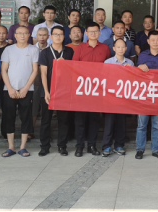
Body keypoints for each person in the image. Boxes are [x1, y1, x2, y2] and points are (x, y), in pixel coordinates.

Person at [0, 26, 38, 158]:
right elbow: (3, 70)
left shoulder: (33, 49)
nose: (22, 35)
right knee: (9, 117)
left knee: (26, 117)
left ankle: (23, 147)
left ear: (29, 35)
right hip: (9, 89)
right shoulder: (8, 49)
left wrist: (26, 88)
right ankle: (11, 147)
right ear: (15, 35)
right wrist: (10, 88)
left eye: (25, 33)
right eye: (19, 33)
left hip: (27, 89)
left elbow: (35, 70)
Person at [73, 22, 111, 156]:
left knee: (94, 119)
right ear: (86, 34)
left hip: (98, 90)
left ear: (99, 33)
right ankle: (79, 147)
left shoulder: (105, 48)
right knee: (80, 120)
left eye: (96, 31)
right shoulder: (80, 48)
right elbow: (74, 67)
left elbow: (109, 67)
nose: (93, 34)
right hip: (82, 89)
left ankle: (92, 146)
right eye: (91, 31)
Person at [135, 31, 158, 160]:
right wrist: (139, 67)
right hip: (144, 94)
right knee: (141, 125)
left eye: (157, 39)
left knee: (157, 125)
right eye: (153, 40)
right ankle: (140, 150)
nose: (155, 42)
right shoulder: (142, 56)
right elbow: (136, 74)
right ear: (148, 41)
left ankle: (156, 150)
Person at [38, 27, 74, 157]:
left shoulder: (69, 51)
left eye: (60, 34)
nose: (58, 37)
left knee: (63, 120)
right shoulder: (45, 52)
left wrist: (66, 64)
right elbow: (43, 73)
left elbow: (74, 70)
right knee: (45, 120)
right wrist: (46, 91)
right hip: (48, 91)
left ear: (64, 37)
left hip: (64, 91)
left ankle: (62, 146)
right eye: (55, 34)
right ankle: (44, 147)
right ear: (51, 36)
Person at [102, 39, 134, 156]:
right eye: (118, 47)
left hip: (123, 97)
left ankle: (119, 145)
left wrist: (130, 71)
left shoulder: (130, 63)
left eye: (123, 47)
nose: (120, 49)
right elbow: (104, 79)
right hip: (110, 97)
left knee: (121, 122)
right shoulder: (108, 62)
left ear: (126, 49)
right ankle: (106, 146)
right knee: (109, 122)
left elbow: (133, 80)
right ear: (114, 48)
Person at [31, 27, 50, 139]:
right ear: (36, 36)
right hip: (35, 81)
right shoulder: (31, 49)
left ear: (48, 36)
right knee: (34, 108)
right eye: (40, 35)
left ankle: (46, 133)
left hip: (48, 81)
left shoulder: (51, 49)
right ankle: (30, 131)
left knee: (46, 109)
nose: (42, 37)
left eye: (44, 35)